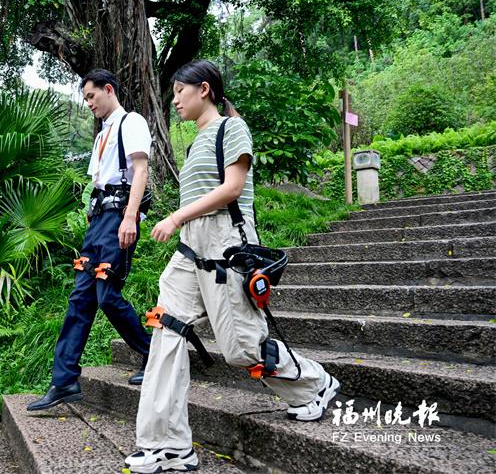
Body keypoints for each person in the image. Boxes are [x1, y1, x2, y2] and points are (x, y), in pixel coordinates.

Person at [125, 60, 341, 473]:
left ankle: (313, 384)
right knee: (166, 331)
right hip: (189, 251)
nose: (175, 101)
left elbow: (232, 188)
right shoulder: (194, 146)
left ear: (203, 89)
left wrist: (176, 217)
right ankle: (165, 444)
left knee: (242, 349)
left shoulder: (231, 128)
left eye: (179, 93)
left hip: (227, 248)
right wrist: (183, 223)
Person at [27, 69, 153, 411]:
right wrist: (89, 216)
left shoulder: (132, 122)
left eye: (91, 96)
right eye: (85, 99)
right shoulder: (101, 136)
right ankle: (64, 380)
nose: (88, 104)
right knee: (80, 297)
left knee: (107, 294)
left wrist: (130, 216)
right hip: (98, 220)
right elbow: (97, 184)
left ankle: (152, 353)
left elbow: (140, 170)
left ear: (108, 90)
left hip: (119, 217)